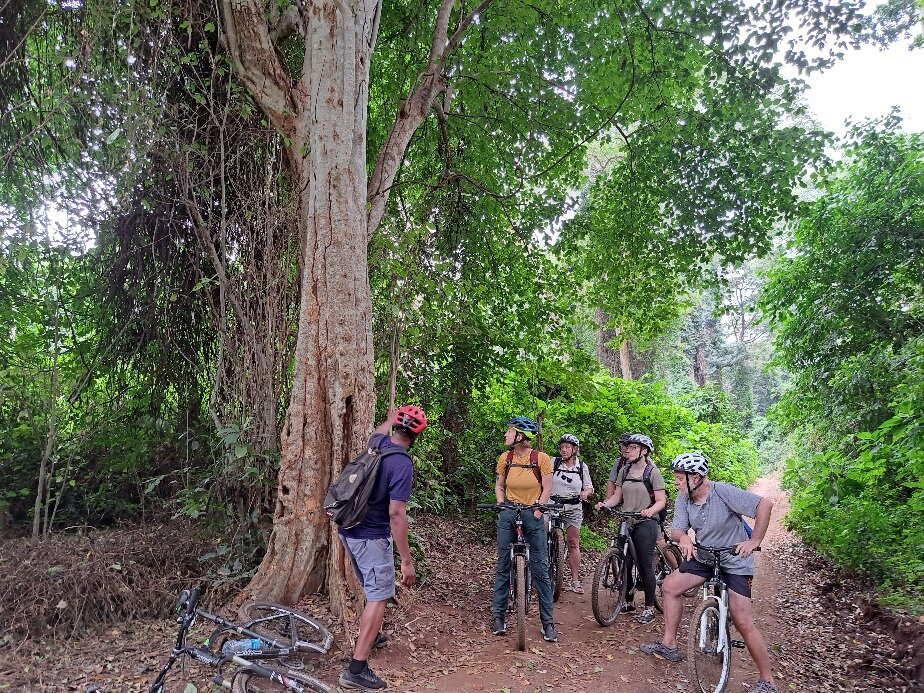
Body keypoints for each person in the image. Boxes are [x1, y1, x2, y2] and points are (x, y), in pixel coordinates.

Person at [640, 452, 778, 693]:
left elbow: (764, 504)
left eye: (680, 477)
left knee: (742, 619)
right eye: (676, 477)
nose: (676, 482)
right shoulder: (684, 499)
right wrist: (684, 537)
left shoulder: (723, 492)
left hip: (735, 559)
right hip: (705, 555)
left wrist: (754, 540)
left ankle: (767, 680)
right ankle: (669, 645)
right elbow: (677, 530)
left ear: (696, 477)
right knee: (670, 586)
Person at [338, 405, 427, 690]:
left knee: (372, 587)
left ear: (395, 427)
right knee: (379, 595)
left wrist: (388, 419)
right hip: (371, 537)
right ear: (416, 435)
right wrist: (406, 560)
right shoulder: (401, 463)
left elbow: (376, 432)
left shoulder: (378, 443)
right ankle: (356, 670)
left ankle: (371, 634)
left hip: (348, 530)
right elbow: (396, 514)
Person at [491, 415, 558, 643]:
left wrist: (539, 510)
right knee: (502, 565)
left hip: (533, 510)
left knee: (540, 567)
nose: (506, 435)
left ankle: (547, 623)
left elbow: (547, 487)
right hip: (509, 510)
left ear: (520, 436)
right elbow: (499, 485)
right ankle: (498, 617)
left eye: (509, 432)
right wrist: (501, 504)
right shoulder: (505, 458)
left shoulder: (541, 458)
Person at [594, 433, 666, 625]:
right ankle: (627, 601)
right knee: (624, 563)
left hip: (645, 522)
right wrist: (605, 504)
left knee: (644, 565)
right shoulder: (624, 470)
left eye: (634, 448)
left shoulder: (652, 472)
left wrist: (650, 511)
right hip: (626, 520)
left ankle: (649, 606)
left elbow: (661, 501)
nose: (629, 450)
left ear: (644, 451)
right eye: (629, 447)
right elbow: (617, 496)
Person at [549, 433, 593, 593]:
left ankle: (575, 580)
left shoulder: (581, 466)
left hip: (573, 507)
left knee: (573, 543)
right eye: (562, 447)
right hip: (552, 504)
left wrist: (586, 493)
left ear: (574, 449)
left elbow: (589, 486)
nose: (564, 450)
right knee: (541, 536)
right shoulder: (553, 462)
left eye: (567, 447)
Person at [605, 432, 635, 501]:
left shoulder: (646, 463)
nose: (626, 449)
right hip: (621, 500)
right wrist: (607, 500)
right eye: (623, 445)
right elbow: (611, 482)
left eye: (629, 446)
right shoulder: (619, 462)